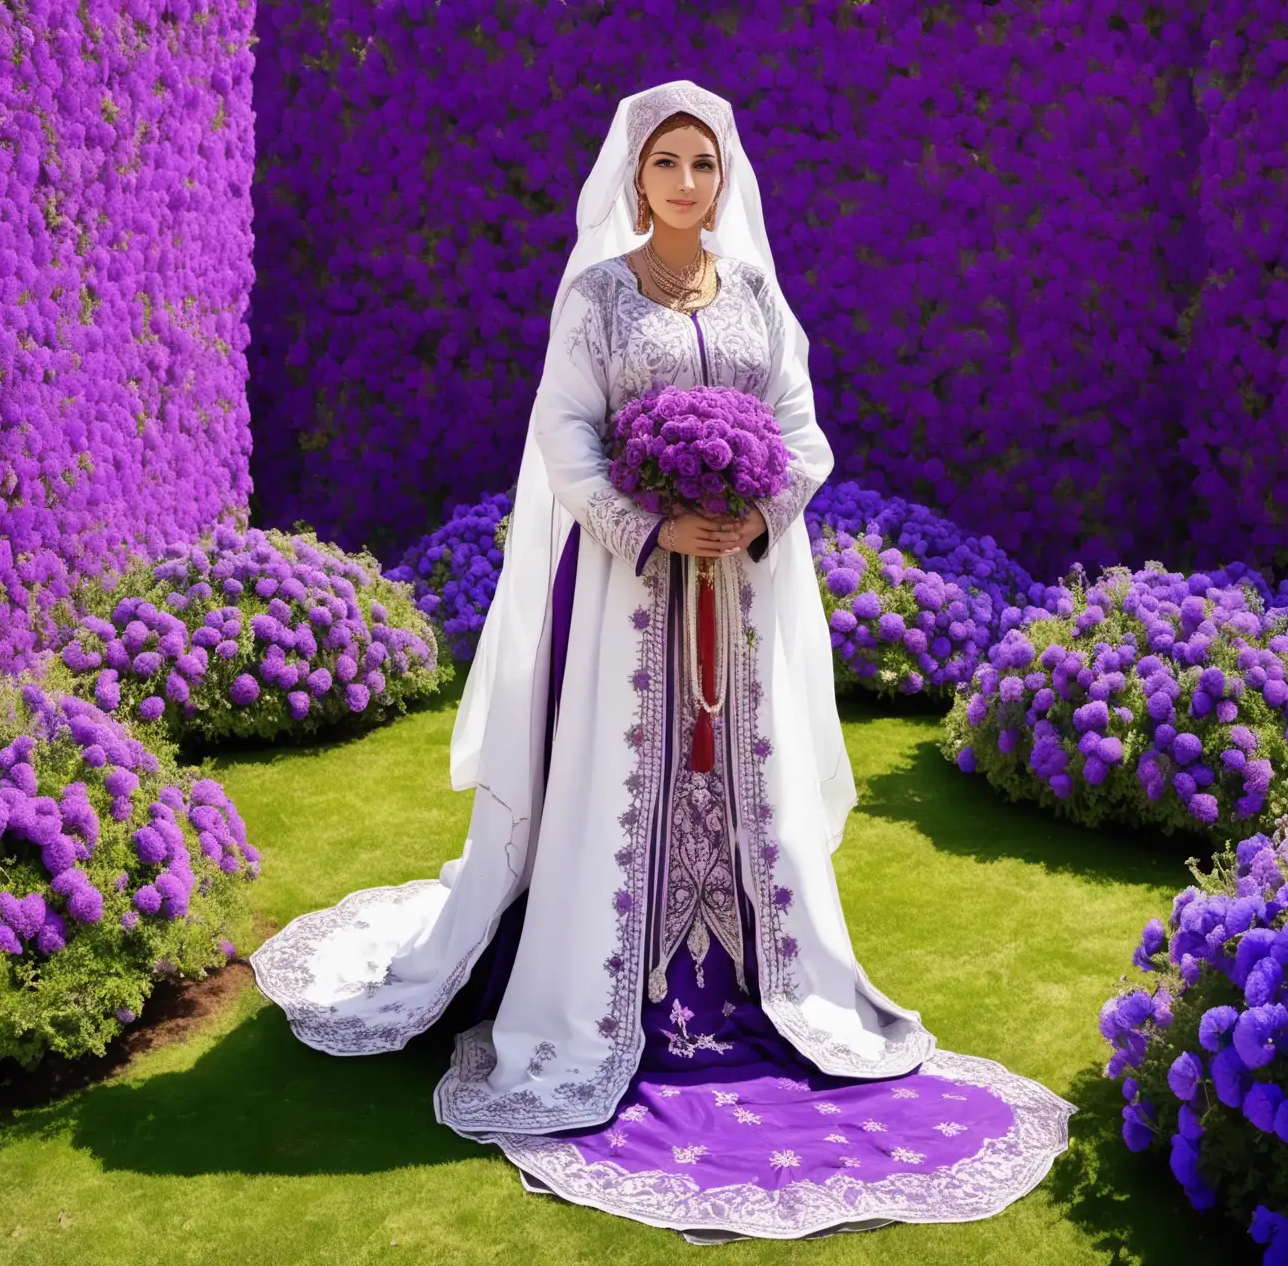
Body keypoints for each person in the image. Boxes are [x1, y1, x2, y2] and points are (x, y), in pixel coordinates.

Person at [250, 79, 1072, 1242]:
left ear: (721, 178)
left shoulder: (755, 296)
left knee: (750, 780)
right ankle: (601, 992)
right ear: (635, 177)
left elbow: (803, 426)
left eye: (705, 165)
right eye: (668, 164)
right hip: (627, 593)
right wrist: (649, 519)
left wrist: (757, 507)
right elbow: (565, 435)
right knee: (619, 771)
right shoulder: (597, 297)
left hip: (736, 590)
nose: (689, 183)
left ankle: (762, 985)